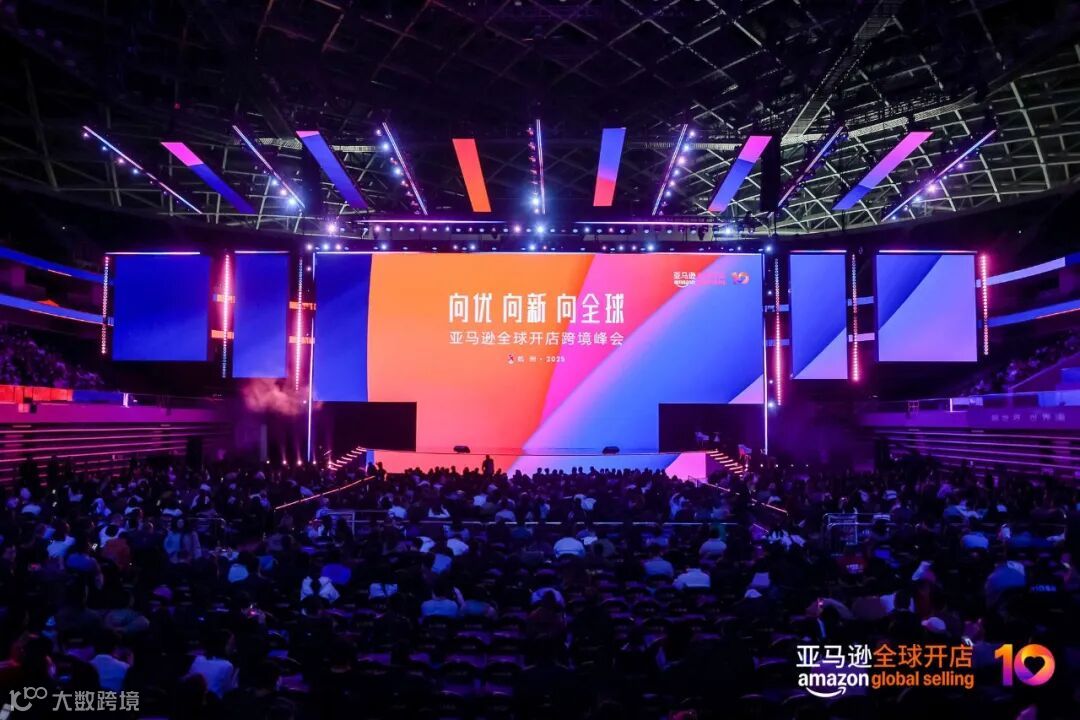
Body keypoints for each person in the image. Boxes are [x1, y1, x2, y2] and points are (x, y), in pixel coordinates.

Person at [188, 630, 238, 698]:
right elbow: (228, 691)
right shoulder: (227, 665)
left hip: (193, 698)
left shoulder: (198, 659)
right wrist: (235, 679)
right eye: (231, 644)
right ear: (222, 645)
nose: (234, 649)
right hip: (212, 702)